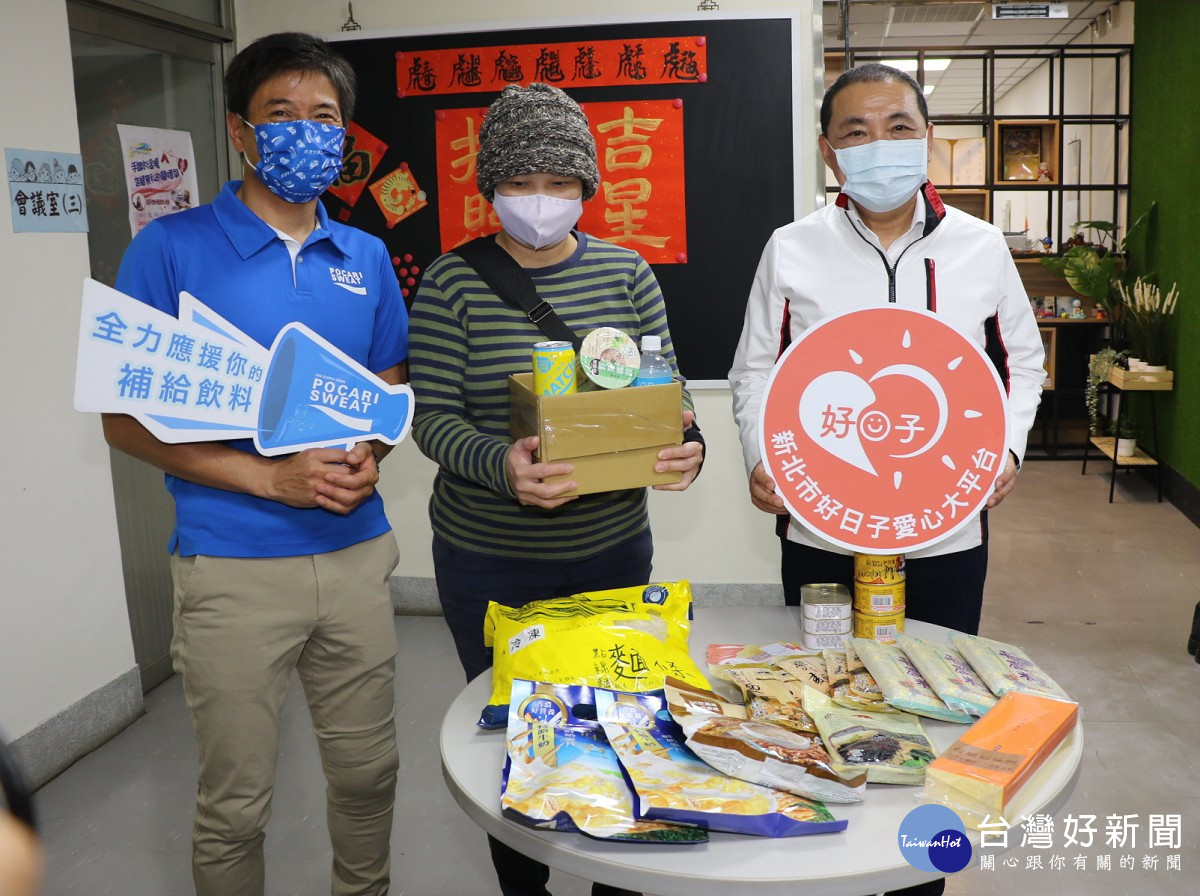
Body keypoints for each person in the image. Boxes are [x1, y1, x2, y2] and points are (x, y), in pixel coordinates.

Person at [103, 32, 408, 896]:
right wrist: (268, 479)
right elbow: (124, 422)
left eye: (324, 116)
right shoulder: (171, 249)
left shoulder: (367, 258)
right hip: (231, 568)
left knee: (367, 775)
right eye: (282, 114)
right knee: (236, 802)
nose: (304, 132)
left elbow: (385, 395)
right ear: (241, 130)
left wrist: (368, 456)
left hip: (355, 557)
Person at [729, 63, 1045, 893]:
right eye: (856, 132)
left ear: (928, 137)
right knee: (824, 699)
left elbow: (1022, 361)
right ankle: (827, 859)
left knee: (937, 699)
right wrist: (763, 455)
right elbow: (757, 368)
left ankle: (919, 873)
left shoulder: (979, 245)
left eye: (898, 127)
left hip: (945, 528)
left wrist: (1005, 451)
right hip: (822, 524)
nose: (879, 147)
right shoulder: (792, 248)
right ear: (830, 153)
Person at [407, 82, 704, 896]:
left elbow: (664, 390)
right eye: (521, 182)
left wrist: (691, 443)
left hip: (610, 551)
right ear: (490, 187)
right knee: (520, 735)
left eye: (561, 183)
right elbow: (429, 416)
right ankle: (525, 885)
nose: (541, 201)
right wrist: (501, 464)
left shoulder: (626, 271)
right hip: (489, 560)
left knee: (622, 726)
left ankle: (619, 879)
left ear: (588, 188)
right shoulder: (452, 281)